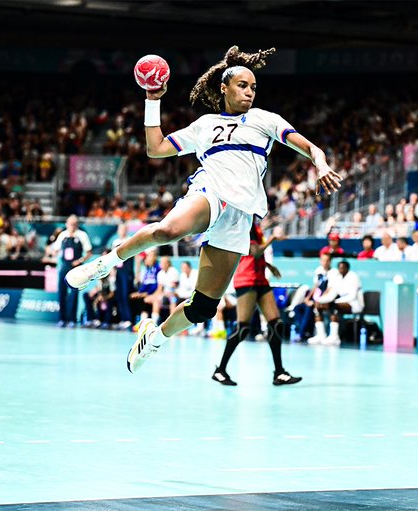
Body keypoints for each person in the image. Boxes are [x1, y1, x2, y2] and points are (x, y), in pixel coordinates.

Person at [65, 46, 341, 373]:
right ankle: (104, 264)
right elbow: (156, 148)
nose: (249, 91)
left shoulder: (265, 120)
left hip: (240, 215)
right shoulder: (205, 125)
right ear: (223, 88)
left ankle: (154, 339)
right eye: (242, 85)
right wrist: (152, 100)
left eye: (253, 87)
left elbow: (309, 147)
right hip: (211, 190)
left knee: (203, 308)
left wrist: (320, 164)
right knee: (169, 230)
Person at [212, 220, 301, 386]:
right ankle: (220, 370)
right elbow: (255, 252)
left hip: (259, 278)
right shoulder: (245, 224)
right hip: (246, 279)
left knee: (276, 323)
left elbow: (253, 254)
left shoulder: (254, 226)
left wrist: (267, 266)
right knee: (243, 328)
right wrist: (273, 237)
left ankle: (279, 373)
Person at [46, 215, 92, 327]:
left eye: (74, 223)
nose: (72, 225)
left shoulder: (82, 235)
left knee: (74, 293)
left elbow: (89, 252)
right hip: (64, 267)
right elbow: (55, 250)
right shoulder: (62, 235)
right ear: (67, 224)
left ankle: (72, 319)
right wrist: (49, 250)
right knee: (61, 292)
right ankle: (62, 319)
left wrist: (80, 260)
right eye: (70, 223)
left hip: (76, 268)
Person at [307, 260, 363, 346]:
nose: (341, 270)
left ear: (347, 268)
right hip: (340, 302)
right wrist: (319, 301)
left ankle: (334, 337)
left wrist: (335, 301)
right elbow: (332, 294)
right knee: (318, 307)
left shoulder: (353, 277)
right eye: (339, 268)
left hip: (354, 304)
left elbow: (352, 296)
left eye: (343, 268)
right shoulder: (338, 278)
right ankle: (321, 335)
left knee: (334, 307)